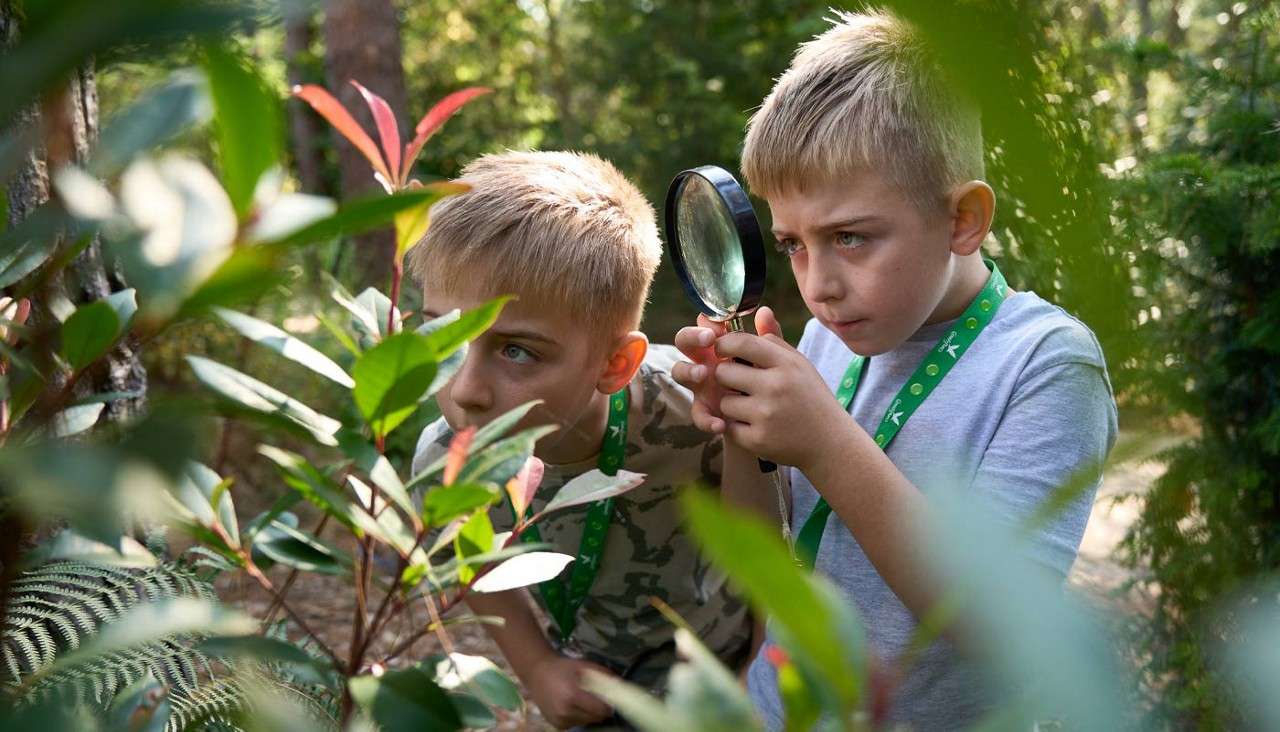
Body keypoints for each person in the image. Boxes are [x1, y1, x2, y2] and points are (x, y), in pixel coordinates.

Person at [671, 9, 1118, 729]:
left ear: (963, 219)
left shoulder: (1048, 365)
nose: (818, 285)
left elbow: (1002, 630)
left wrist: (824, 441)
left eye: (850, 237)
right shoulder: (821, 340)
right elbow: (760, 554)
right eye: (793, 244)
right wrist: (737, 429)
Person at [406, 150, 753, 730]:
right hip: (597, 695)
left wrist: (762, 675)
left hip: (726, 679)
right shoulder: (448, 463)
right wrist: (537, 667)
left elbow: (777, 547)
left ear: (615, 364)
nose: (465, 391)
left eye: (517, 350)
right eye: (445, 335)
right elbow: (472, 569)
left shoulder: (695, 411)